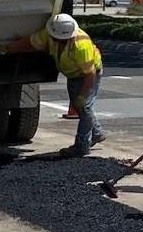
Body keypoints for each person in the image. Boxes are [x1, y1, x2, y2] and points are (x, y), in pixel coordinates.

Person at [10, 14, 105, 156]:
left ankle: (81, 146)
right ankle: (97, 133)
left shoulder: (81, 45)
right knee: (79, 106)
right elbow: (30, 42)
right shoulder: (50, 34)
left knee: (84, 107)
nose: (56, 41)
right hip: (73, 74)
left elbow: (89, 74)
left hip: (89, 74)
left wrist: (83, 95)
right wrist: (8, 48)